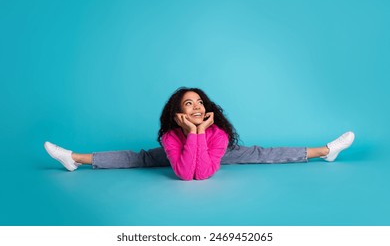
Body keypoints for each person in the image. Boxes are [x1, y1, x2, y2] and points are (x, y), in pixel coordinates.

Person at [44, 87, 355, 181]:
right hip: (180, 150)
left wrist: (201, 134)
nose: (195, 106)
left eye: (199, 102)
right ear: (177, 113)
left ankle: (327, 151)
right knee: (136, 158)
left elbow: (203, 173)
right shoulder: (170, 137)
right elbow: (185, 174)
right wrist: (192, 133)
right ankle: (74, 158)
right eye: (187, 103)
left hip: (217, 154)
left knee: (263, 154)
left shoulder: (218, 134)